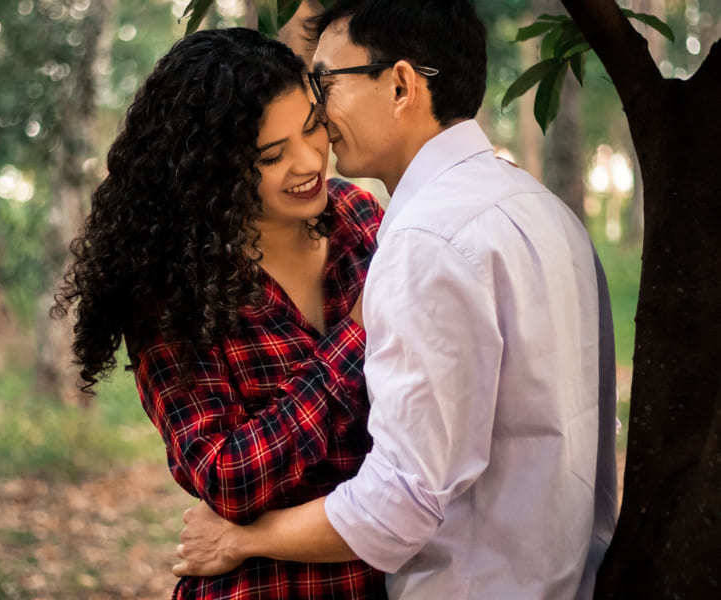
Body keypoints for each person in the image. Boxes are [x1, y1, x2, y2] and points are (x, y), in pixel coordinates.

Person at [173, 1, 618, 598]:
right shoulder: (546, 213)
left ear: (402, 84)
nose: (319, 112)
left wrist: (244, 539)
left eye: (326, 81)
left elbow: (400, 501)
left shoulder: (424, 242)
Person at [52, 27, 387, 599]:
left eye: (313, 128)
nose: (309, 162)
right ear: (216, 170)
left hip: (392, 575)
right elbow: (228, 477)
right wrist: (356, 337)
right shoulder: (174, 291)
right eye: (271, 156)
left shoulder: (358, 220)